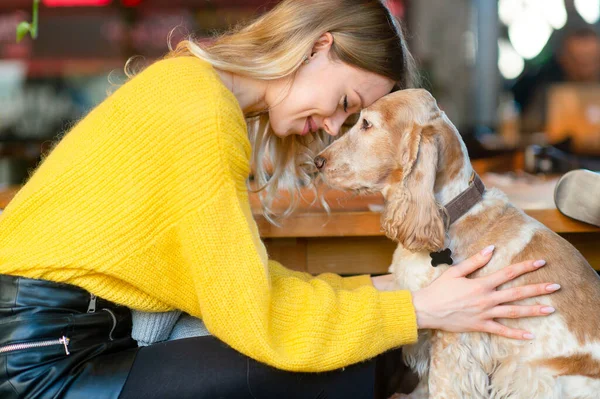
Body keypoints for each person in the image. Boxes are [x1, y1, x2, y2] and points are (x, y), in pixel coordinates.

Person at [0, 1, 559, 398]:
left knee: (356, 353)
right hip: (48, 364)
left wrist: (388, 288)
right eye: (346, 102)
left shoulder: (194, 88)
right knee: (350, 370)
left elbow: (239, 289)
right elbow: (259, 318)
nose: (333, 127)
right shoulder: (201, 113)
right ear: (318, 46)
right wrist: (418, 310)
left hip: (69, 337)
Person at [512, 26, 600, 134]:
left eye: (591, 59)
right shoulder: (548, 91)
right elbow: (529, 126)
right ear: (564, 59)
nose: (584, 69)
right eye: (578, 60)